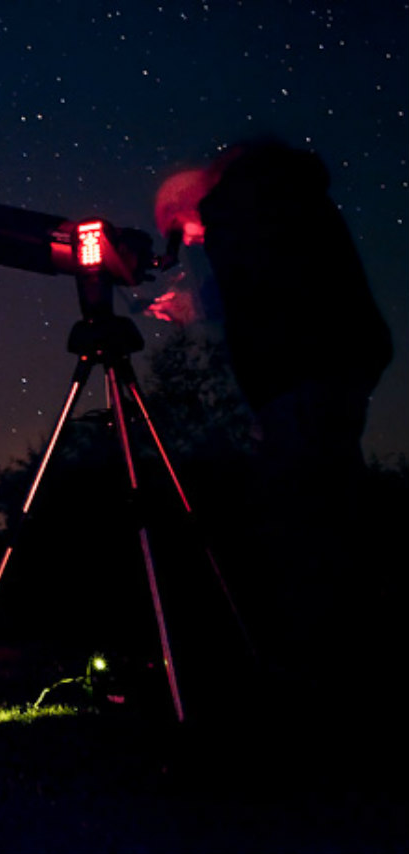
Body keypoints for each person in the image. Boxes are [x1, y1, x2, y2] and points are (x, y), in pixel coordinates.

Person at [155, 139, 393, 702]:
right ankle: (353, 656)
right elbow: (275, 282)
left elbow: (261, 289)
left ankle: (324, 667)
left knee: (301, 515)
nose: (187, 242)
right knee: (331, 505)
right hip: (331, 363)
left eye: (177, 228)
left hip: (303, 373)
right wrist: (202, 304)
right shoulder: (278, 195)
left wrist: (200, 299)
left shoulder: (239, 203)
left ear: (195, 200)